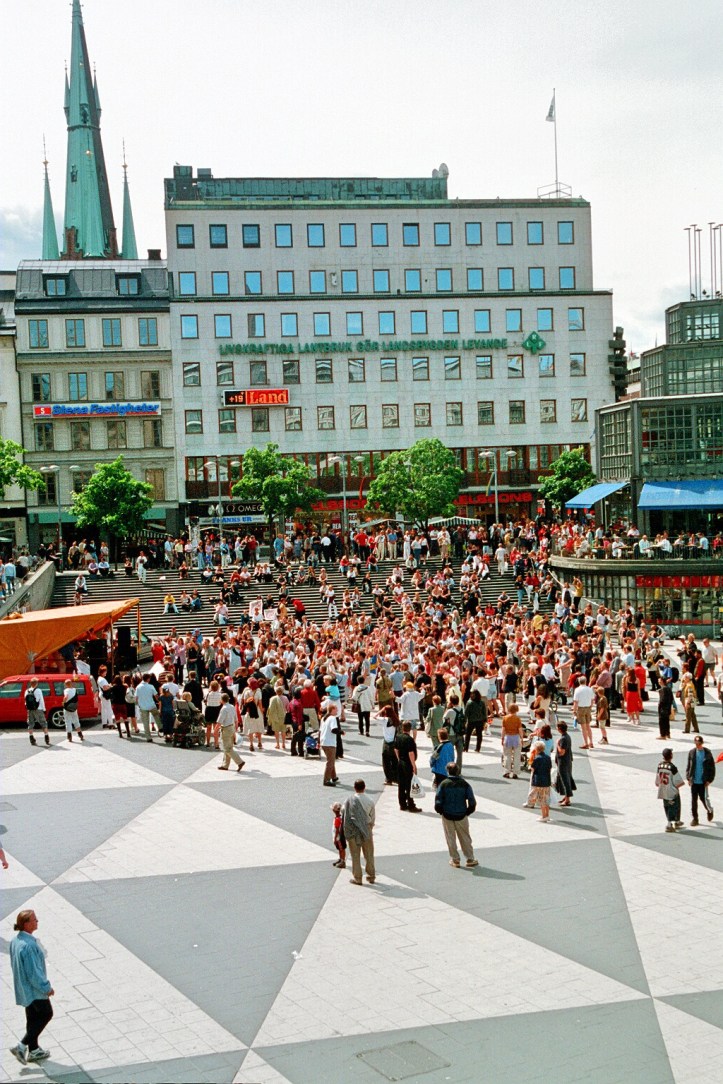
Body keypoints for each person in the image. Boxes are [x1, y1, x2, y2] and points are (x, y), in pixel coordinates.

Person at [9, 909, 54, 1065]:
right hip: (34, 990)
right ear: (26, 924)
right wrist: (46, 988)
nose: (37, 921)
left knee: (32, 1017)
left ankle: (34, 1049)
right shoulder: (28, 946)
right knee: (46, 1013)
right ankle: (21, 1046)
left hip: (23, 988)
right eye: (34, 919)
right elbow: (34, 973)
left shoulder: (16, 941)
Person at [434, 762, 478, 868]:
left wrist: (441, 811)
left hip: (447, 815)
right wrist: (467, 812)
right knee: (465, 838)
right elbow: (472, 802)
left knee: (450, 838)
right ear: (458, 771)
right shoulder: (464, 784)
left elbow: (438, 801)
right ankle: (470, 858)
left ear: (447, 771)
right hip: (461, 815)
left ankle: (455, 860)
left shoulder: (443, 784)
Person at [343, 778, 376, 885]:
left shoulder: (349, 800)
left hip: (353, 830)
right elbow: (372, 817)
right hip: (366, 829)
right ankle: (371, 876)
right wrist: (369, 827)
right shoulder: (370, 801)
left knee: (355, 855)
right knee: (369, 854)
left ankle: (358, 878)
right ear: (364, 787)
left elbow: (344, 812)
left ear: (354, 788)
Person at [686, 735, 716, 826]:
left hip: (703, 781)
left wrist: (709, 780)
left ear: (702, 742)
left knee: (704, 799)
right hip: (694, 781)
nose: (697, 744)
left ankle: (709, 810)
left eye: (698, 742)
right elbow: (689, 766)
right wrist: (688, 777)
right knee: (694, 801)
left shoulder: (707, 753)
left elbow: (712, 768)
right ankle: (695, 818)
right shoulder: (692, 752)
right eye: (695, 742)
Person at [655, 748, 685, 832]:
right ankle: (669, 824)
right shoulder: (672, 767)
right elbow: (678, 782)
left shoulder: (660, 766)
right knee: (674, 807)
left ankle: (676, 821)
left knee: (667, 806)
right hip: (672, 791)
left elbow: (657, 781)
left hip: (663, 790)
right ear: (671, 756)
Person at [395, 720, 421, 812]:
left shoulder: (398, 737)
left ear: (402, 728)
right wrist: (414, 765)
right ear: (410, 729)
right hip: (407, 763)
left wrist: (399, 759)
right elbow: (411, 753)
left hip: (400, 762)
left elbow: (396, 749)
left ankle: (402, 804)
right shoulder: (410, 739)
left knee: (401, 784)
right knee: (409, 784)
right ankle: (411, 805)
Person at [523, 740, 552, 822]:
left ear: (536, 749)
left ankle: (543, 816)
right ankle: (547, 815)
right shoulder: (548, 757)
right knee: (546, 799)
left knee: (541, 799)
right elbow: (549, 768)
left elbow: (532, 768)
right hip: (547, 780)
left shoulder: (537, 758)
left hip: (539, 781)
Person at [217, 694, 245, 772]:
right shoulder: (232, 706)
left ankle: (240, 762)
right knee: (229, 747)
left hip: (226, 728)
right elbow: (236, 719)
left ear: (222, 700)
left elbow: (219, 721)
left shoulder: (224, 709)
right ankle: (225, 765)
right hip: (232, 727)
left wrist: (215, 730)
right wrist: (235, 728)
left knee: (227, 748)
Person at [555, 720, 576, 806]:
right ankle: (566, 796)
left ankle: (567, 799)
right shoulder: (567, 736)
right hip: (567, 760)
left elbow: (561, 752)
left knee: (565, 779)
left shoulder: (563, 739)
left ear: (560, 728)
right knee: (566, 778)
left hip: (563, 761)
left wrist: (557, 744)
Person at [501, 702, 524, 779]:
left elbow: (503, 730)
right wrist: (522, 738)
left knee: (507, 755)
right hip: (516, 737)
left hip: (508, 737)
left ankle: (507, 771)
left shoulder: (505, 718)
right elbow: (520, 730)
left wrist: (502, 738)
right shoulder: (517, 719)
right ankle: (515, 773)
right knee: (517, 756)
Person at [572, 675, 595, 750]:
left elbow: (576, 702)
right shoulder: (590, 689)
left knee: (583, 727)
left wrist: (574, 710)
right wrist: (590, 707)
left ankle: (586, 743)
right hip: (588, 708)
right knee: (588, 726)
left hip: (581, 708)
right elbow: (592, 700)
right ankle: (591, 742)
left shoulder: (577, 690)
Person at [135, 673, 160, 742]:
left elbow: (136, 698)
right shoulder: (151, 686)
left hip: (143, 706)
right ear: (148, 679)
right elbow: (156, 696)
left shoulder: (138, 687)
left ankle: (148, 737)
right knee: (156, 716)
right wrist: (159, 701)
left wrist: (138, 704)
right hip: (151, 705)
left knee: (145, 722)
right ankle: (160, 727)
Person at [25, 678, 50, 747]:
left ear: (30, 683)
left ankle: (31, 737)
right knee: (43, 723)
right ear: (36, 684)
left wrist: (28, 708)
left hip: (30, 710)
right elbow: (41, 700)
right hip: (38, 709)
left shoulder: (27, 691)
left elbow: (25, 702)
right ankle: (46, 737)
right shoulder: (38, 690)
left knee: (30, 723)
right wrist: (44, 709)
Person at [463, 688, 486, 753]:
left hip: (471, 721)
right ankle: (478, 748)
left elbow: (466, 713)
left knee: (468, 735)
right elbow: (484, 712)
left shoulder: (469, 703)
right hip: (480, 721)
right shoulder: (482, 703)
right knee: (479, 735)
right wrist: (485, 720)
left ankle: (466, 748)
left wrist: (464, 721)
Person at [320, 708, 339, 787]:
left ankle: (333, 777)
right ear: (332, 710)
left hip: (323, 742)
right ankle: (326, 780)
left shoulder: (324, 718)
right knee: (330, 762)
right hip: (330, 743)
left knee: (331, 760)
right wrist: (341, 732)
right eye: (336, 709)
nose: (337, 711)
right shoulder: (332, 718)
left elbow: (320, 730)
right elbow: (334, 730)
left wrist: (318, 741)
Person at [330, 801, 346, 868]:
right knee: (340, 848)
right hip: (342, 836)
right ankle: (341, 858)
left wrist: (335, 838)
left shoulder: (337, 819)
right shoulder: (341, 817)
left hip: (338, 837)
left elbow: (337, 830)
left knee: (341, 849)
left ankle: (342, 861)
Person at [657, 675, 674, 740]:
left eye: (659, 680)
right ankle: (667, 733)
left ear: (662, 681)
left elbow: (662, 700)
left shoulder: (662, 689)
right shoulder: (668, 688)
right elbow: (672, 698)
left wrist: (660, 705)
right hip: (668, 707)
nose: (658, 681)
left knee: (662, 722)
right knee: (666, 721)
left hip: (663, 708)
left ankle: (663, 734)